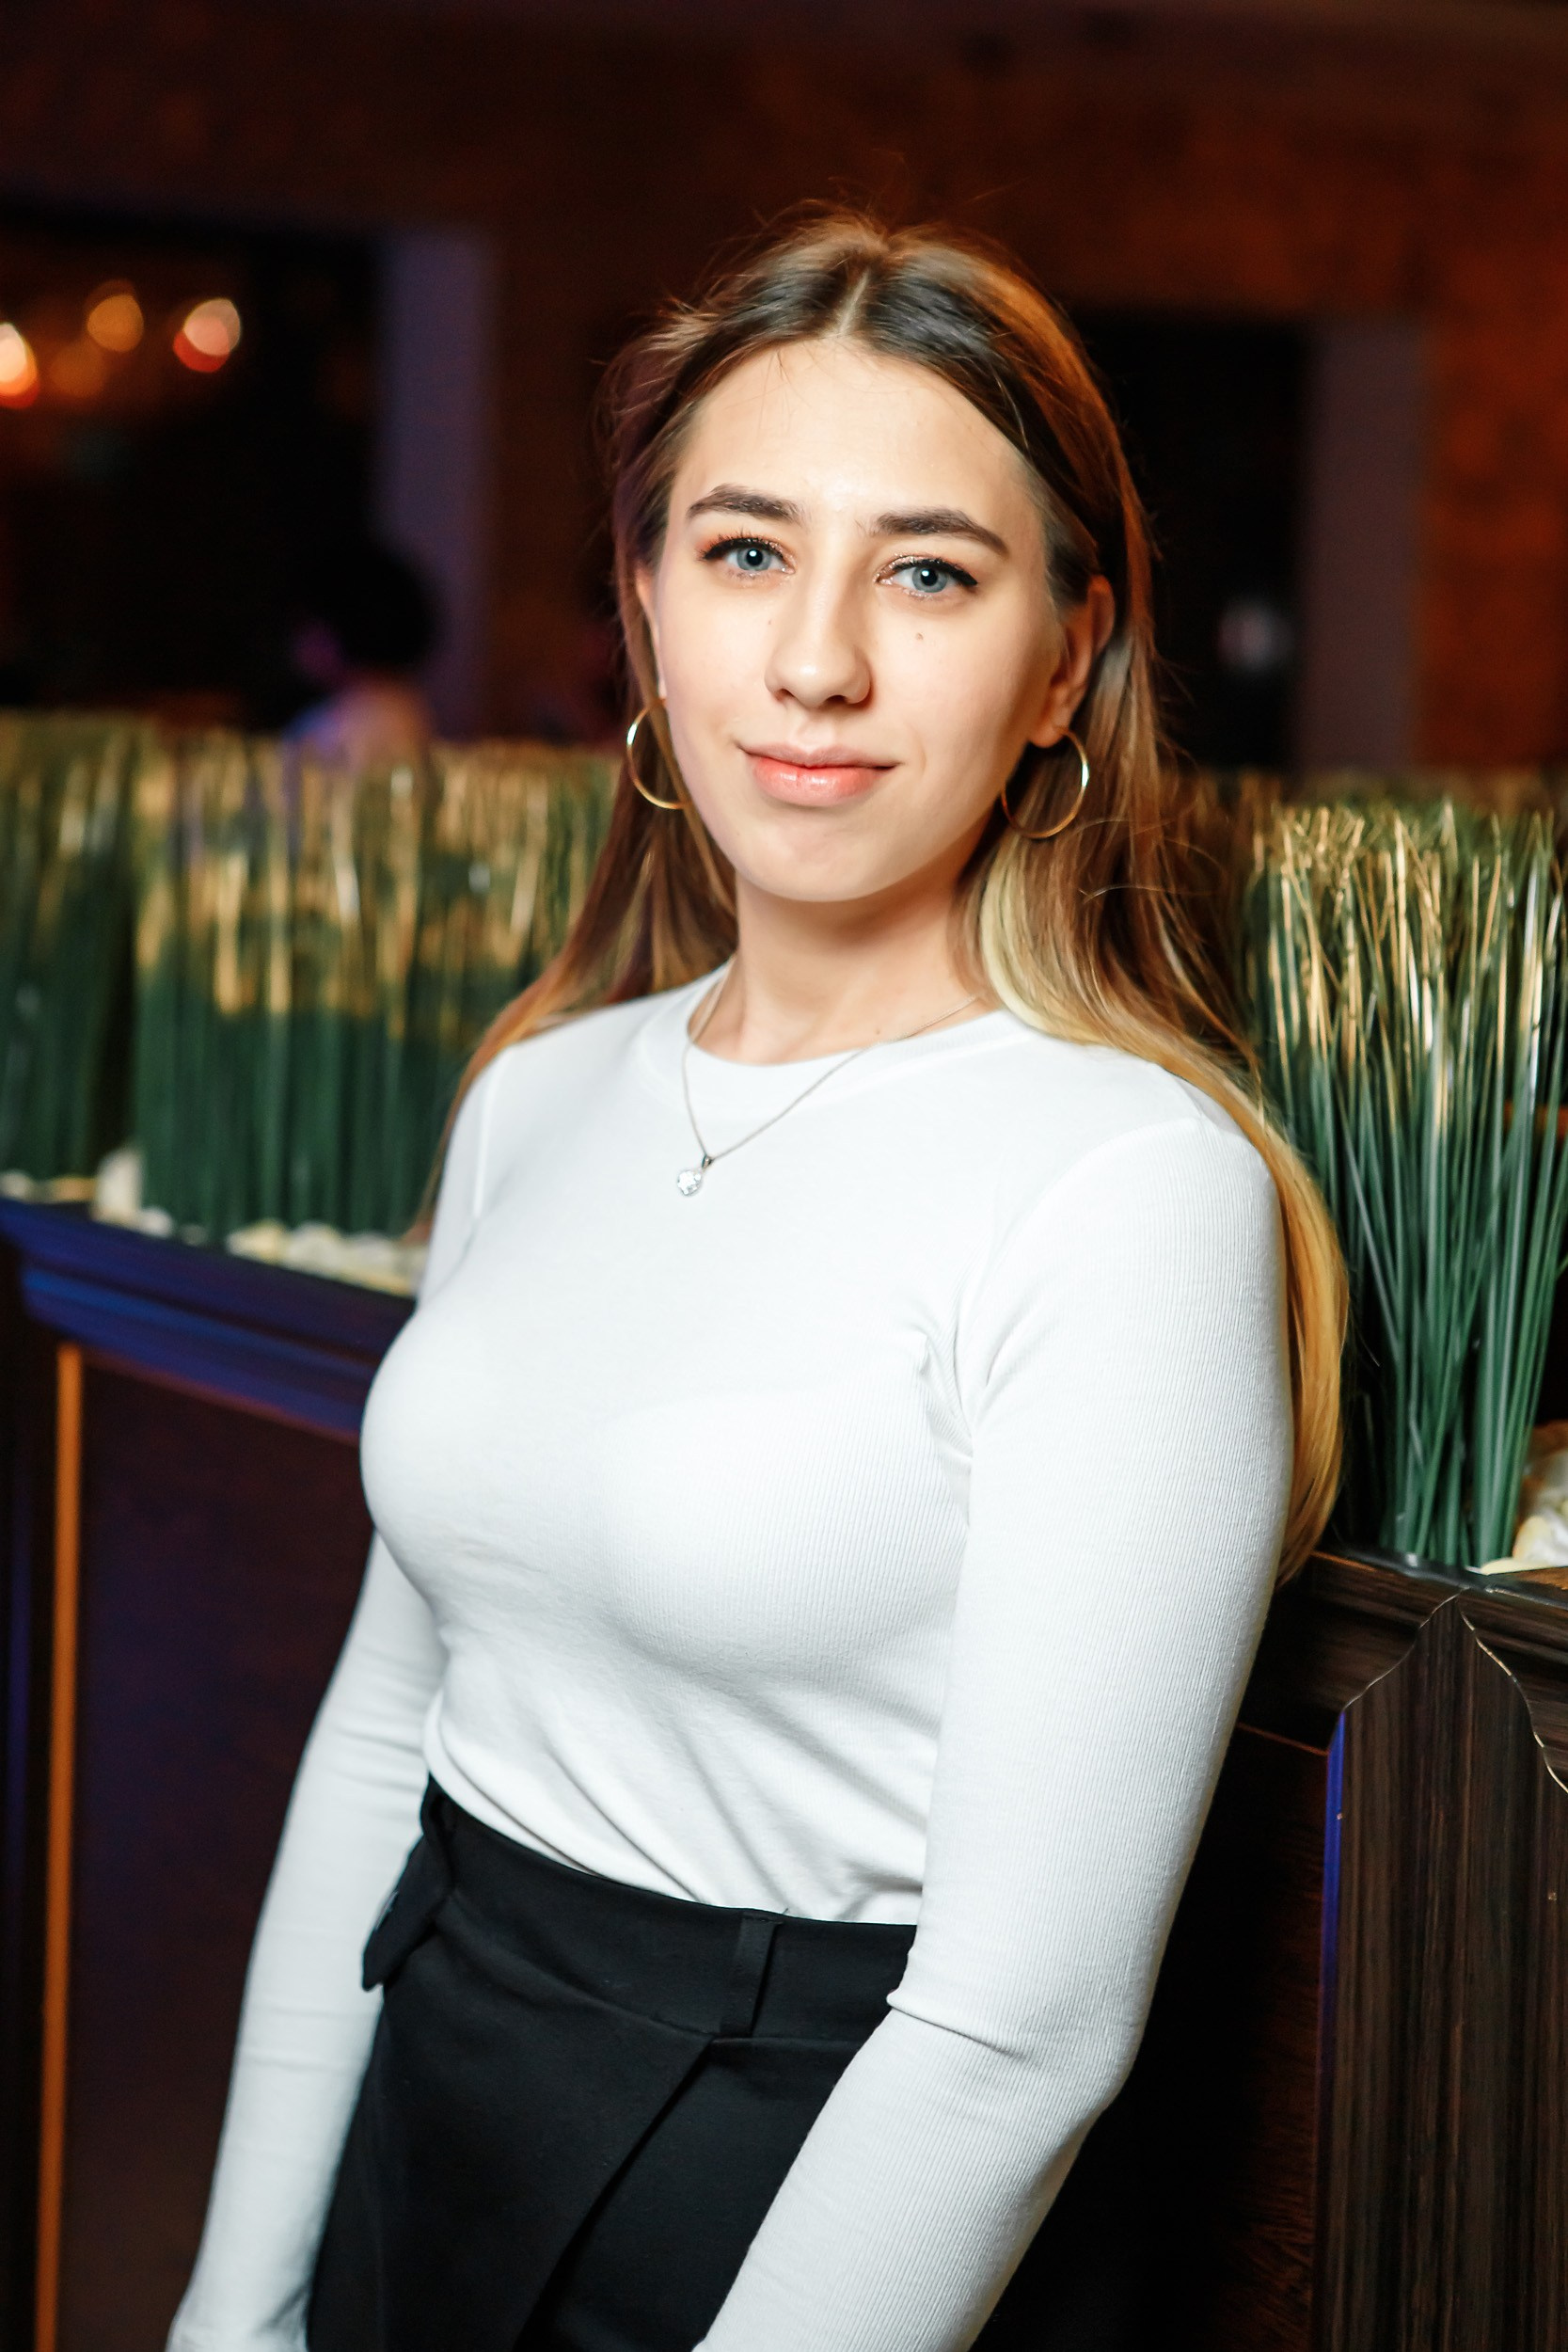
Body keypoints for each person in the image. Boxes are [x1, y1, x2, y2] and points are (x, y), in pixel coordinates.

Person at [168, 212, 1345, 2352]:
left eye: (928, 573)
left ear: (1066, 659)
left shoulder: (1128, 1188)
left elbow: (1017, 2030)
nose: (815, 662)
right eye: (741, 551)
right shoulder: (541, 1090)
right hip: (433, 2109)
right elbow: (386, 1733)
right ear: (643, 605)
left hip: (809, 2202)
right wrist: (233, 2310)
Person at [284, 540, 439, 767]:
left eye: (305, 623)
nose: (296, 639)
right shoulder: (403, 705)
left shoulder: (342, 725)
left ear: (340, 630)